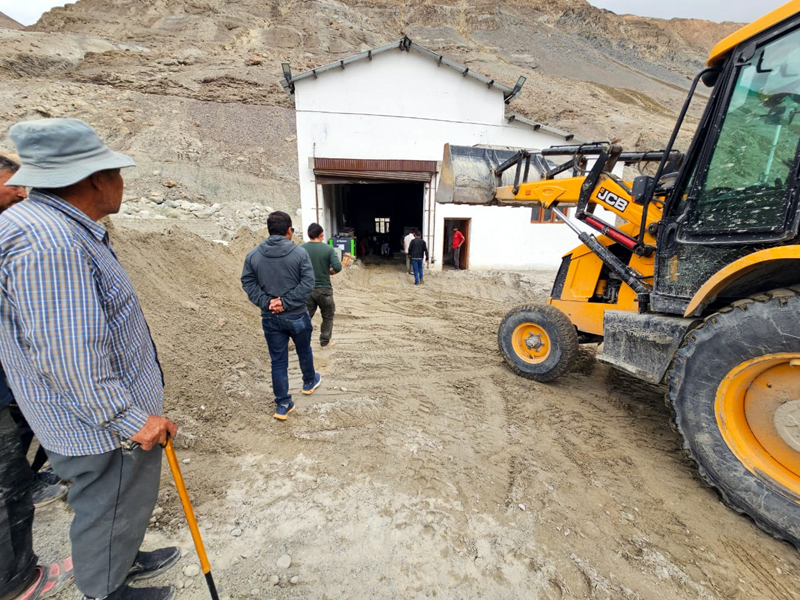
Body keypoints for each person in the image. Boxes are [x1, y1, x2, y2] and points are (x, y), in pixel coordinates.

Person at [0, 119, 181, 600]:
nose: (122, 182)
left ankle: (118, 559)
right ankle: (107, 590)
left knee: (114, 506)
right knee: (108, 503)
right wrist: (129, 419)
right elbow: (68, 353)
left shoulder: (45, 227)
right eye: (116, 173)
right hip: (100, 427)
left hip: (94, 418)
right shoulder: (51, 243)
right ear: (94, 179)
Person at [1, 157, 73, 600]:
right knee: (6, 484)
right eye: (13, 188)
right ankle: (16, 578)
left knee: (18, 477)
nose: (21, 196)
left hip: (17, 384)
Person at [242, 211, 322, 420]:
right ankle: (308, 382)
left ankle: (283, 404)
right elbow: (308, 284)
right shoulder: (299, 254)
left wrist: (268, 302)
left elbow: (248, 283)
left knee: (278, 361)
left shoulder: (253, 255)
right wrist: (286, 302)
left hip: (269, 317)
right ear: (288, 230)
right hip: (296, 315)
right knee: (304, 350)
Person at [301, 223, 342, 349]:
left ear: (308, 234)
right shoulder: (328, 249)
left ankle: (302, 342)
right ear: (321, 234)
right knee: (328, 316)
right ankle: (325, 341)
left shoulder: (301, 249)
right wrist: (328, 271)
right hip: (324, 289)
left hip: (307, 289)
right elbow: (338, 267)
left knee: (305, 317)